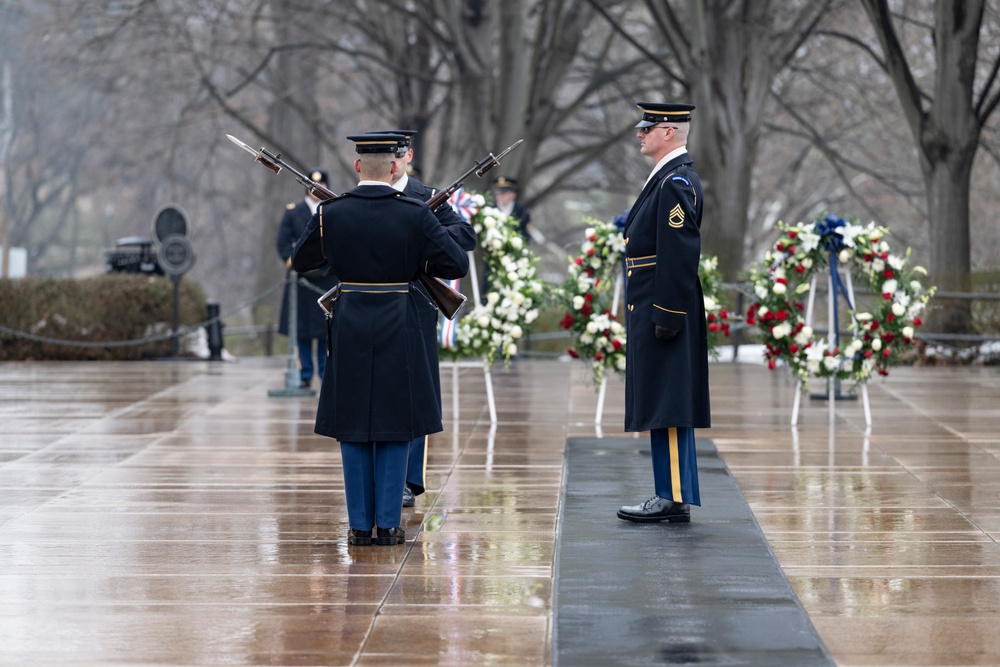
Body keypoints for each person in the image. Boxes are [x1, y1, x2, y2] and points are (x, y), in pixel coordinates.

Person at [291, 133, 469, 546]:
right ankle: (388, 525)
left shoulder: (331, 213)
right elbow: (455, 260)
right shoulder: (413, 213)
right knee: (395, 422)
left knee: (353, 424)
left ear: (357, 167)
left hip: (351, 320)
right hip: (399, 322)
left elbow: (303, 261)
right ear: (395, 167)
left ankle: (358, 526)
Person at [616, 102, 711, 524]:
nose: (640, 134)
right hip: (654, 303)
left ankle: (671, 496)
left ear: (668, 133)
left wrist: (667, 314)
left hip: (662, 305)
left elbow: (678, 253)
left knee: (669, 403)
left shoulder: (674, 182)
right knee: (664, 401)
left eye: (647, 128)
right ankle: (672, 490)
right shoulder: (667, 179)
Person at [376, 129, 477, 508]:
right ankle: (378, 475)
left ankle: (407, 479)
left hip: (415, 300)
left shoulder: (425, 197)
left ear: (407, 157)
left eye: (397, 156)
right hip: (372, 302)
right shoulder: (367, 194)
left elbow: (463, 236)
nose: (392, 163)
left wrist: (424, 241)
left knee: (415, 393)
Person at [276, 169, 339, 388]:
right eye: (313, 186)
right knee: (302, 331)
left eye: (320, 185)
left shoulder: (333, 210)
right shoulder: (294, 212)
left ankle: (324, 373)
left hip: (325, 278)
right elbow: (283, 242)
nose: (315, 190)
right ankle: (305, 374)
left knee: (325, 329)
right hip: (301, 280)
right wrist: (294, 263)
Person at [491, 176, 531, 241]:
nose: (501, 196)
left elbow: (525, 235)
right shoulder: (490, 208)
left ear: (513, 194)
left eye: (504, 193)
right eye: (499, 193)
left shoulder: (522, 211)